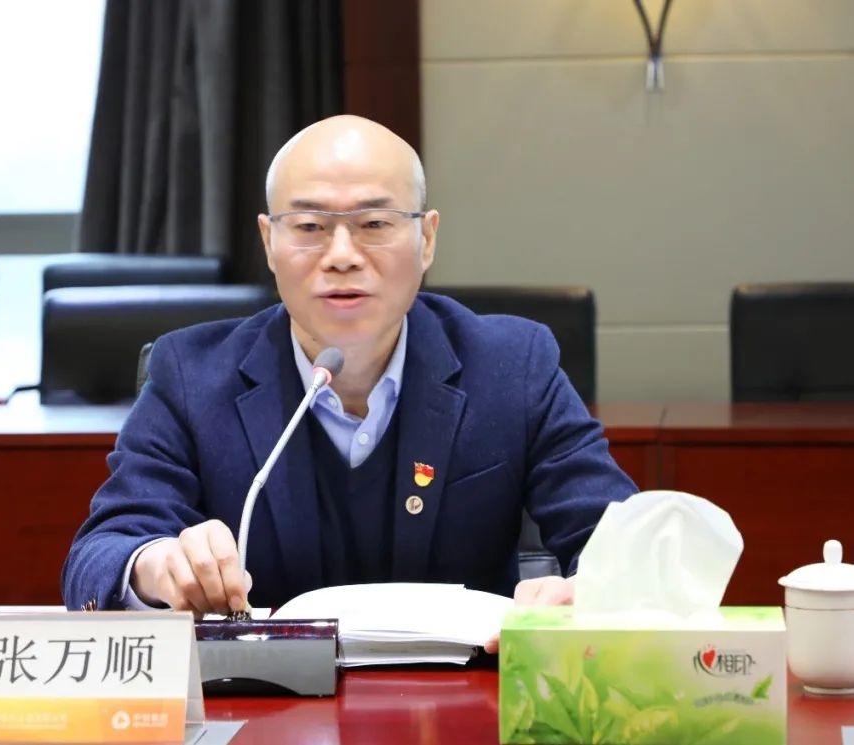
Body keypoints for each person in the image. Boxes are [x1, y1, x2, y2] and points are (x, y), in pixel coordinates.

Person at [62, 115, 637, 626]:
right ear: (269, 241)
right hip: (264, 696)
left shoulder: (512, 365)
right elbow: (100, 555)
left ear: (426, 238)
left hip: (465, 692)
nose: (341, 255)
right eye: (309, 227)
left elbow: (623, 542)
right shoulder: (191, 374)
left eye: (375, 223)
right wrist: (156, 565)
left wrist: (591, 590)